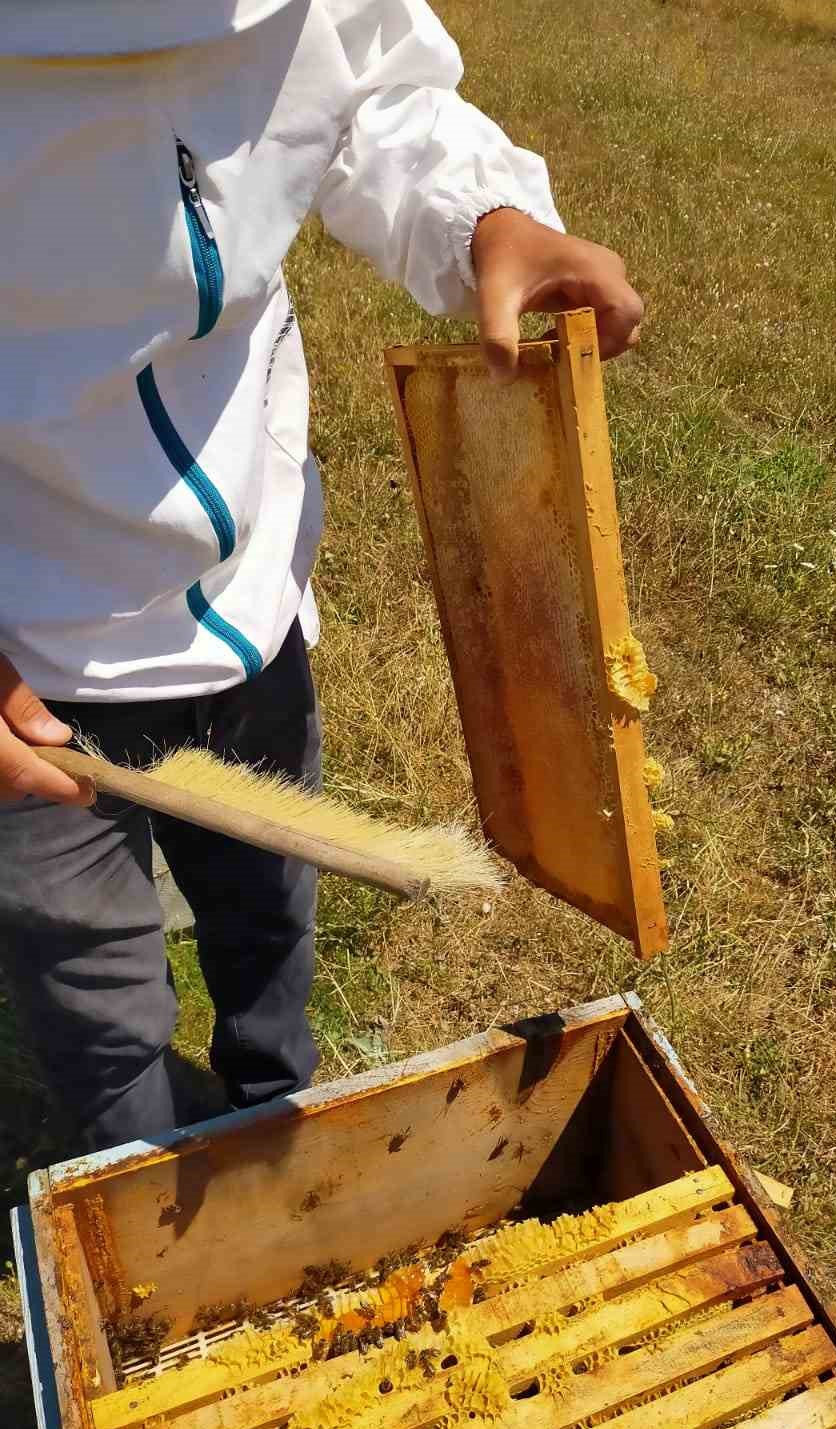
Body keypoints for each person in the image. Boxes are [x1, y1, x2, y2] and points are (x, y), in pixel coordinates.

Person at [0, 0, 643, 1153]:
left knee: (268, 913)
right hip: (30, 660)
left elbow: (368, 94)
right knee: (98, 1014)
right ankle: (145, 1227)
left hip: (251, 590)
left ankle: (271, 1120)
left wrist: (483, 213)